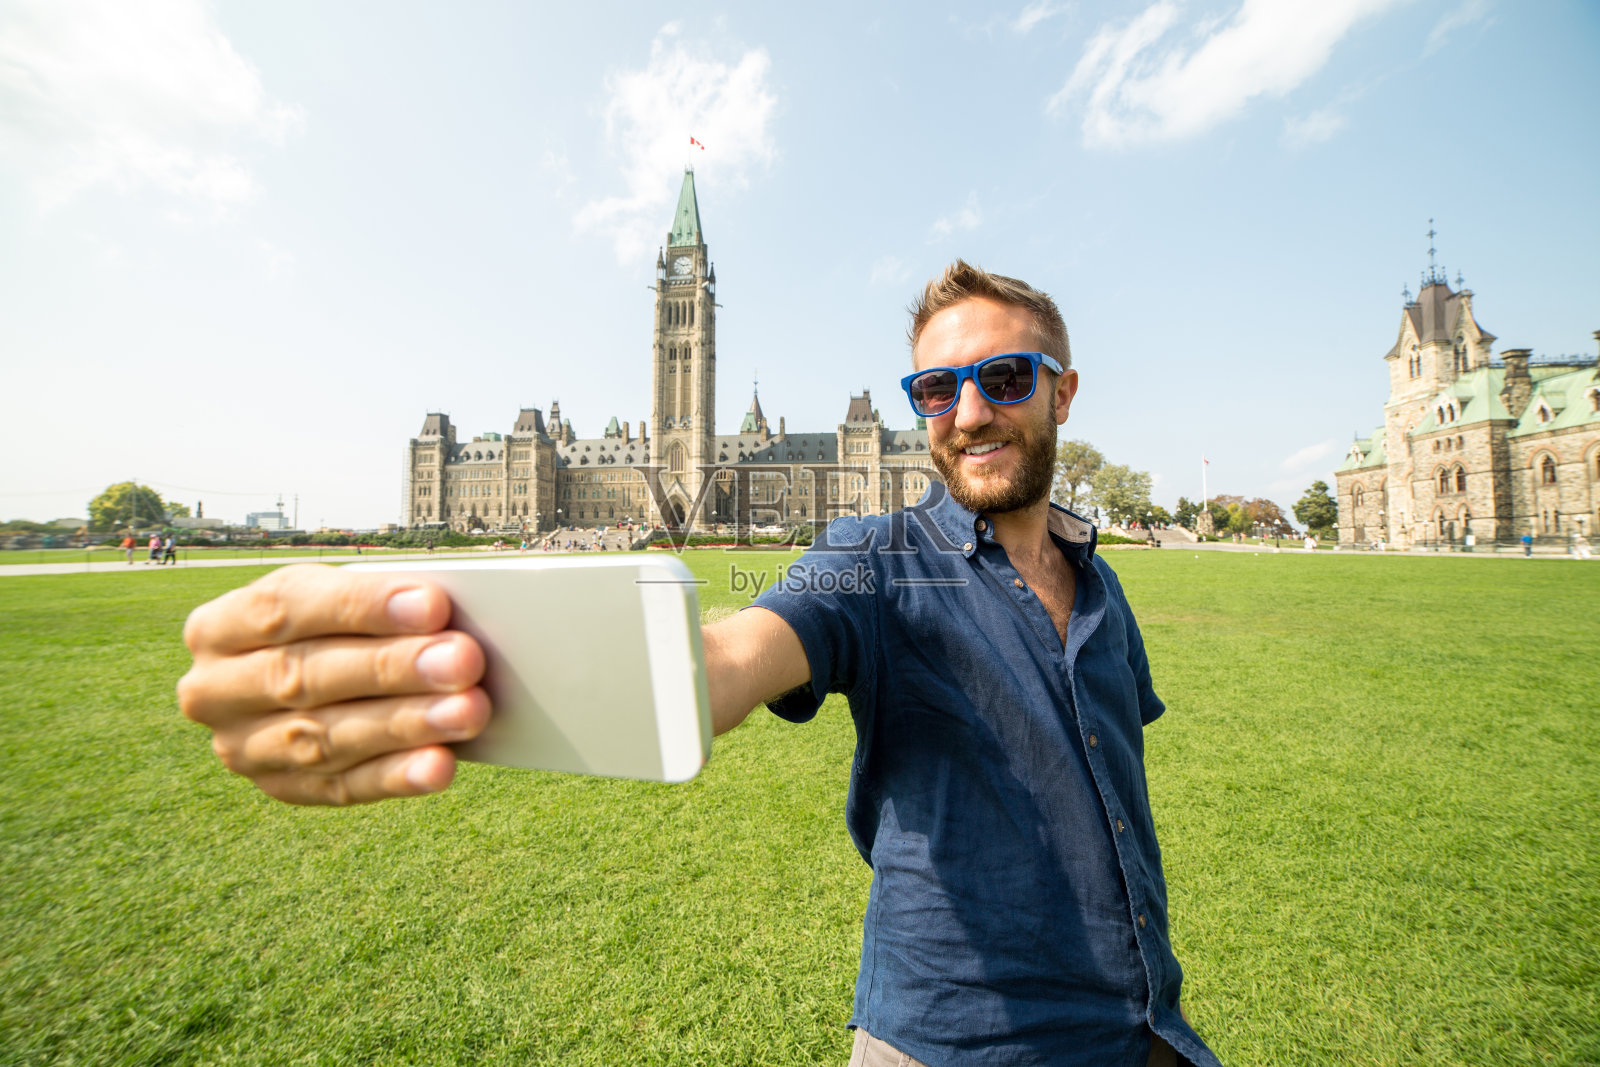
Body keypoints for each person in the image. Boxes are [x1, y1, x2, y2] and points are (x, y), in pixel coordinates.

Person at [177, 261, 1220, 1067]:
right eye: (935, 388)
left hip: (1141, 1034)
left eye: (1002, 377)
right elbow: (721, 660)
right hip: (953, 1040)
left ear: (1061, 393)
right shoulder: (878, 561)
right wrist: (460, 659)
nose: (969, 410)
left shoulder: (1101, 586)